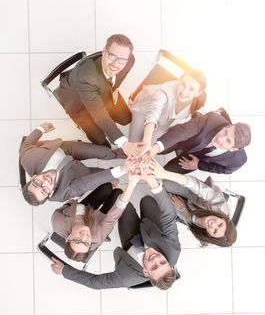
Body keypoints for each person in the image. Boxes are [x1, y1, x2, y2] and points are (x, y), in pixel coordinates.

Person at [51, 166, 181, 290]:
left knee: (121, 209)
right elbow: (169, 215)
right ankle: (142, 201)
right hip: (153, 228)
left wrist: (64, 271)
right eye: (163, 262)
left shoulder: (126, 277)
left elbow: (95, 283)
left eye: (154, 267)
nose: (156, 259)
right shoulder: (173, 250)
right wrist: (153, 183)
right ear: (169, 263)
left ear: (146, 272)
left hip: (131, 241)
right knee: (145, 200)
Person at [54, 33, 141, 156]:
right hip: (78, 103)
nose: (116, 64)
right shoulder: (85, 77)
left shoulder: (129, 60)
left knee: (126, 118)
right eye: (112, 56)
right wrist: (124, 143)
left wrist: (115, 87)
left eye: (122, 60)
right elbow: (99, 113)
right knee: (102, 143)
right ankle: (80, 123)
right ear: (104, 51)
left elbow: (122, 72)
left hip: (104, 91)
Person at [19, 122, 137, 206]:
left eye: (37, 183)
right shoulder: (62, 194)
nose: (45, 181)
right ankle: (116, 168)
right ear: (50, 194)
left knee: (103, 152)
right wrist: (121, 170)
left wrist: (41, 128)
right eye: (44, 190)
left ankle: (118, 154)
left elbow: (25, 145)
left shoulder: (27, 158)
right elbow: (88, 183)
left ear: (33, 177)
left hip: (65, 150)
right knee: (104, 175)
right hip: (78, 173)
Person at [52, 172, 140, 262]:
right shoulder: (98, 236)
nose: (84, 236)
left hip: (82, 209)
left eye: (77, 240)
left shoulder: (58, 222)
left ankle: (110, 187)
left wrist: (68, 204)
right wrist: (132, 184)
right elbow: (115, 213)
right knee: (118, 193)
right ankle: (113, 190)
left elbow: (61, 209)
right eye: (86, 243)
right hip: (99, 219)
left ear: (69, 238)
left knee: (106, 187)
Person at [147, 159, 237, 247]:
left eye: (214, 231)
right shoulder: (219, 205)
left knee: (159, 193)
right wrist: (164, 174)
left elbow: (189, 223)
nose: (213, 224)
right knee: (164, 183)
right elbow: (194, 185)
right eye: (220, 224)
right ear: (223, 218)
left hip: (188, 213)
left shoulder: (203, 239)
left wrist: (184, 209)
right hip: (195, 195)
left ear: (210, 236)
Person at [147, 109, 251, 174]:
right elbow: (182, 131)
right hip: (185, 140)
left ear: (233, 149)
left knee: (167, 171)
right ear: (228, 125)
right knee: (161, 150)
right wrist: (154, 150)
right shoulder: (212, 119)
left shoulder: (238, 160)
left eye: (228, 141)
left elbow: (223, 170)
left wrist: (199, 165)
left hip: (197, 160)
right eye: (225, 132)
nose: (220, 138)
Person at [129, 68, 206, 149]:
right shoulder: (163, 93)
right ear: (179, 81)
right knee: (135, 142)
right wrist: (146, 142)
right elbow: (152, 114)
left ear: (198, 93)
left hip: (165, 118)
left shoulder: (198, 103)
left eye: (191, 89)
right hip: (145, 109)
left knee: (152, 143)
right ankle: (125, 152)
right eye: (183, 84)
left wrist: (149, 146)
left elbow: (174, 116)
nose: (184, 92)